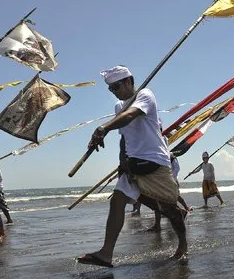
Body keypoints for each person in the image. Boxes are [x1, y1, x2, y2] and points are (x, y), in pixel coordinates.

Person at [77, 65, 188, 267]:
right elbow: (124, 137)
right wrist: (122, 161)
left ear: (129, 81)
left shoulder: (145, 95)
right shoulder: (119, 107)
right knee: (117, 201)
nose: (115, 92)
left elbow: (130, 116)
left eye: (117, 87)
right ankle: (106, 254)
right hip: (132, 163)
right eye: (111, 89)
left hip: (155, 161)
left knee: (169, 210)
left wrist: (103, 128)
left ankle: (183, 245)